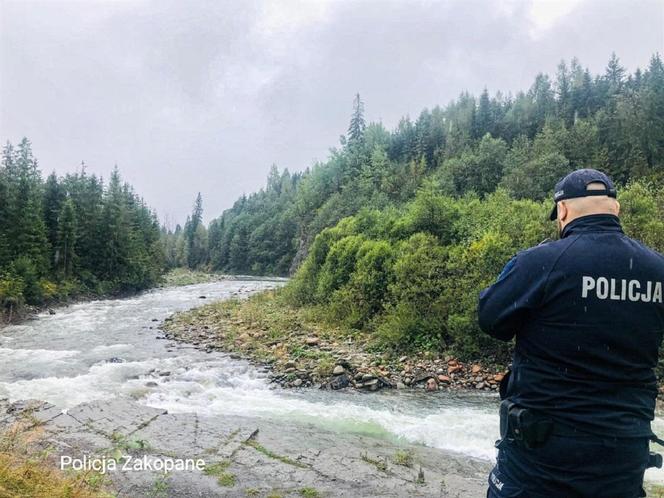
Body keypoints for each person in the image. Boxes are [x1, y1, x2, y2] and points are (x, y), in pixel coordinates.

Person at [478, 169, 664, 498]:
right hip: (624, 450)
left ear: (562, 211)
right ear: (615, 209)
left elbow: (491, 319)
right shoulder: (657, 269)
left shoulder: (541, 262)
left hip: (543, 453)